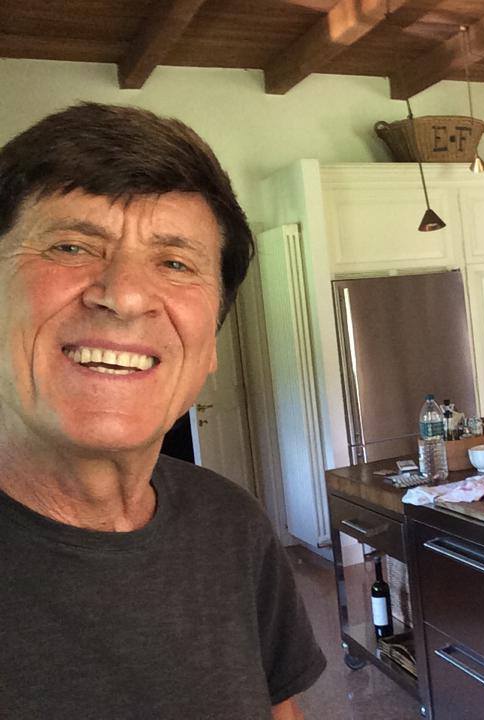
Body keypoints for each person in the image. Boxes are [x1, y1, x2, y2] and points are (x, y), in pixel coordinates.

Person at [0, 103, 325, 719]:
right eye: (71, 246)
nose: (124, 295)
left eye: (175, 263)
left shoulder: (232, 526)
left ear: (210, 344)